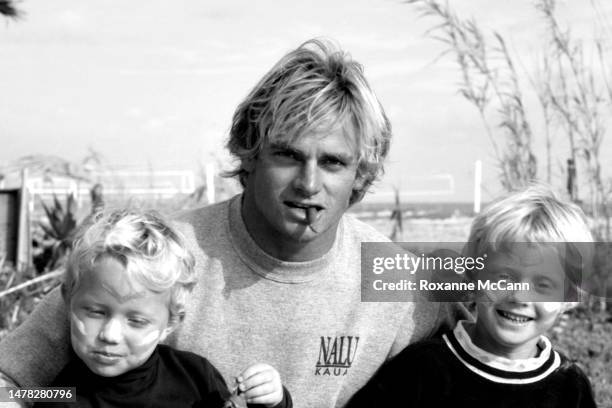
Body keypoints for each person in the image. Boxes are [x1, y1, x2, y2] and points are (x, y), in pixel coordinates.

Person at [0, 38, 460, 408]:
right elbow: (15, 381)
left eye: (334, 162)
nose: (309, 183)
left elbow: (518, 288)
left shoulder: (389, 274)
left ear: (361, 173)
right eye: (288, 154)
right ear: (250, 153)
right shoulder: (158, 258)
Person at [345, 184, 597, 408]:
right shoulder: (421, 369)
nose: (519, 297)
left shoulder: (570, 387)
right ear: (473, 277)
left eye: (543, 285)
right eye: (504, 278)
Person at [34, 209, 291, 408]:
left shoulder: (196, 378)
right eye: (96, 312)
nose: (109, 335)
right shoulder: (58, 395)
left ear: (170, 323)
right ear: (68, 300)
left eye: (136, 321)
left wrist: (270, 400)